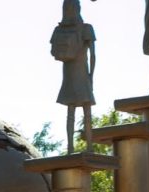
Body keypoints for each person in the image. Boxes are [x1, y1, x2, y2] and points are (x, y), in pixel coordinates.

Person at [50, 0, 96, 153]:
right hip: (82, 73)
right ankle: (89, 146)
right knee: (86, 111)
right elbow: (93, 55)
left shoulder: (59, 30)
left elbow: (53, 51)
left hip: (68, 74)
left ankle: (70, 147)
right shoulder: (86, 28)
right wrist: (91, 76)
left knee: (71, 112)